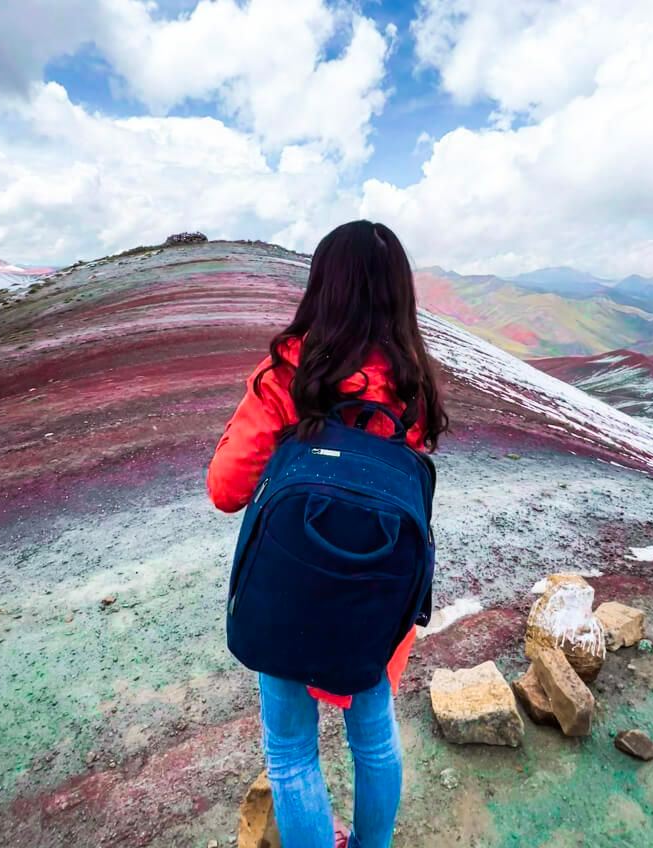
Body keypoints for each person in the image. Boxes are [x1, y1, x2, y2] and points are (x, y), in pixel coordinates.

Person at [207, 220, 448, 848]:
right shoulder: (412, 385)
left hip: (290, 590)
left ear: (323, 286)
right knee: (374, 734)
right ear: (399, 294)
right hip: (377, 601)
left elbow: (225, 489)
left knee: (290, 751)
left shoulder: (290, 374)